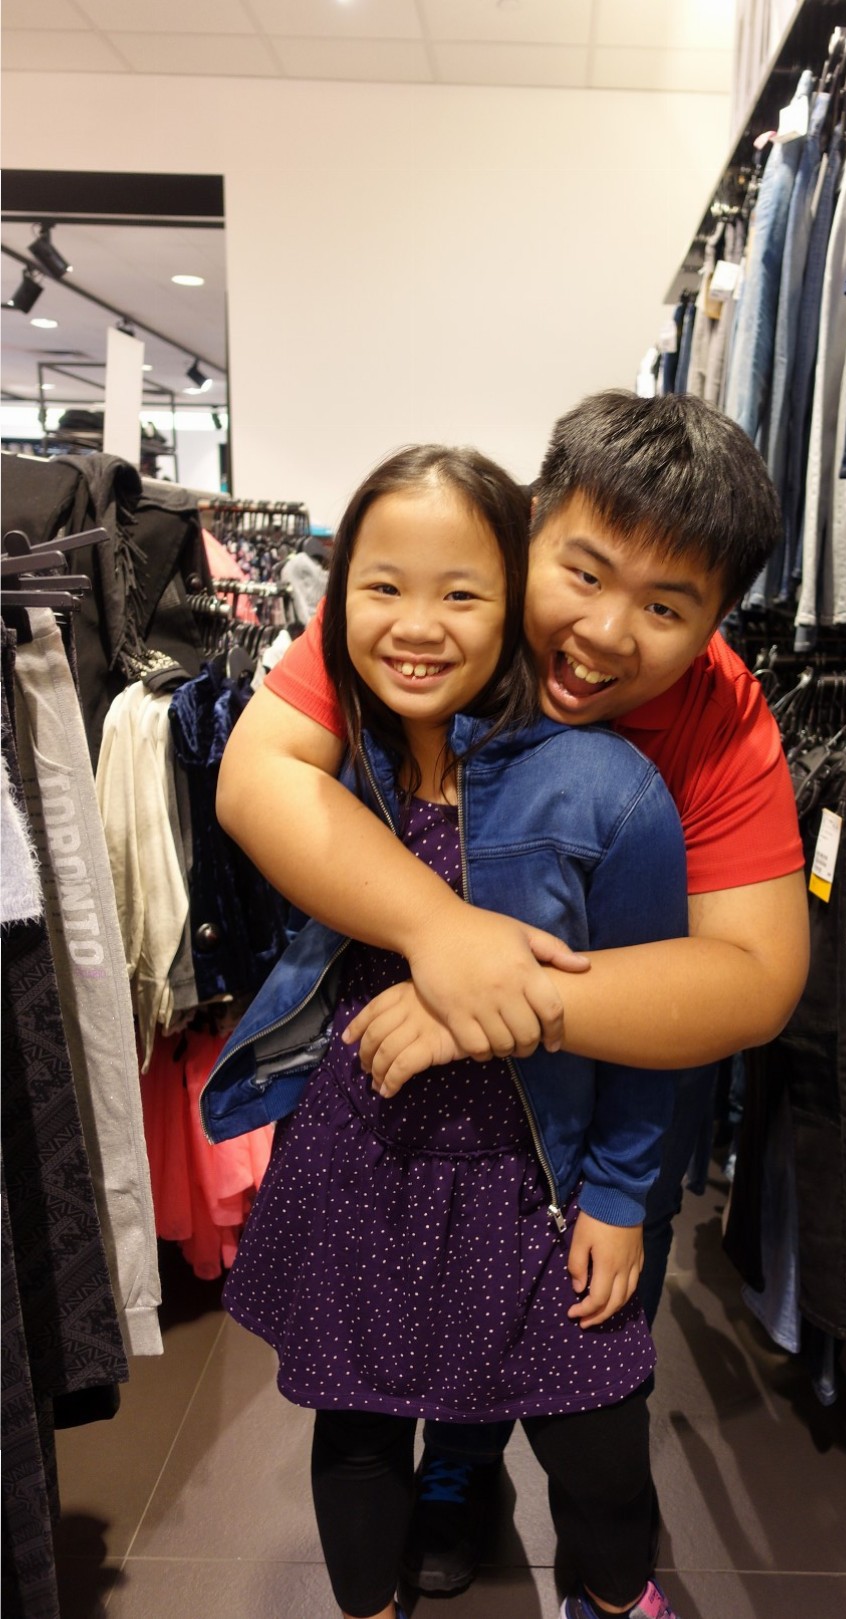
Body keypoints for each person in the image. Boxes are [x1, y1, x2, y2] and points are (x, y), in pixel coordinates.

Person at [216, 391, 810, 1595]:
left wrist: (484, 998)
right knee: (386, 1375)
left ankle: (562, 1534)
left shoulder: (710, 719)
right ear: (529, 523)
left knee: (589, 1379)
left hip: (590, 1123)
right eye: (581, 573)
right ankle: (459, 1465)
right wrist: (441, 933)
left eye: (666, 608)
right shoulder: (431, 611)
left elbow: (752, 978)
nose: (604, 632)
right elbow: (259, 774)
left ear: (718, 622)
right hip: (387, 1133)